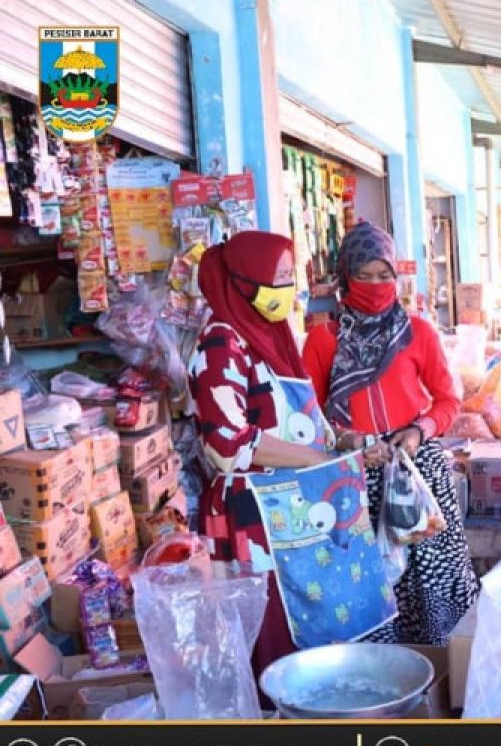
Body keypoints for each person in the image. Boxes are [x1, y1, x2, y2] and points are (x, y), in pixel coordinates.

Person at [304, 221, 479, 646]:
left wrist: (420, 431)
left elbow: (447, 400)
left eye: (384, 276)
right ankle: (384, 679)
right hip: (354, 477)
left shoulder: (418, 331)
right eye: (364, 276)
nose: (376, 285)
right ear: (345, 276)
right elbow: (308, 415)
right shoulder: (322, 340)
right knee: (371, 585)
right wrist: (350, 442)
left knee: (431, 578)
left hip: (417, 474)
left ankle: (444, 672)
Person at [190, 231, 337, 673]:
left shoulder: (269, 334)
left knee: (303, 631)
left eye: (291, 276)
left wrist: (333, 440)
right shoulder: (220, 343)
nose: (288, 287)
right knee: (269, 642)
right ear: (244, 280)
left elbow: (288, 411)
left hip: (287, 508)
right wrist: (313, 459)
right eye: (279, 277)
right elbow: (226, 443)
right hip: (249, 517)